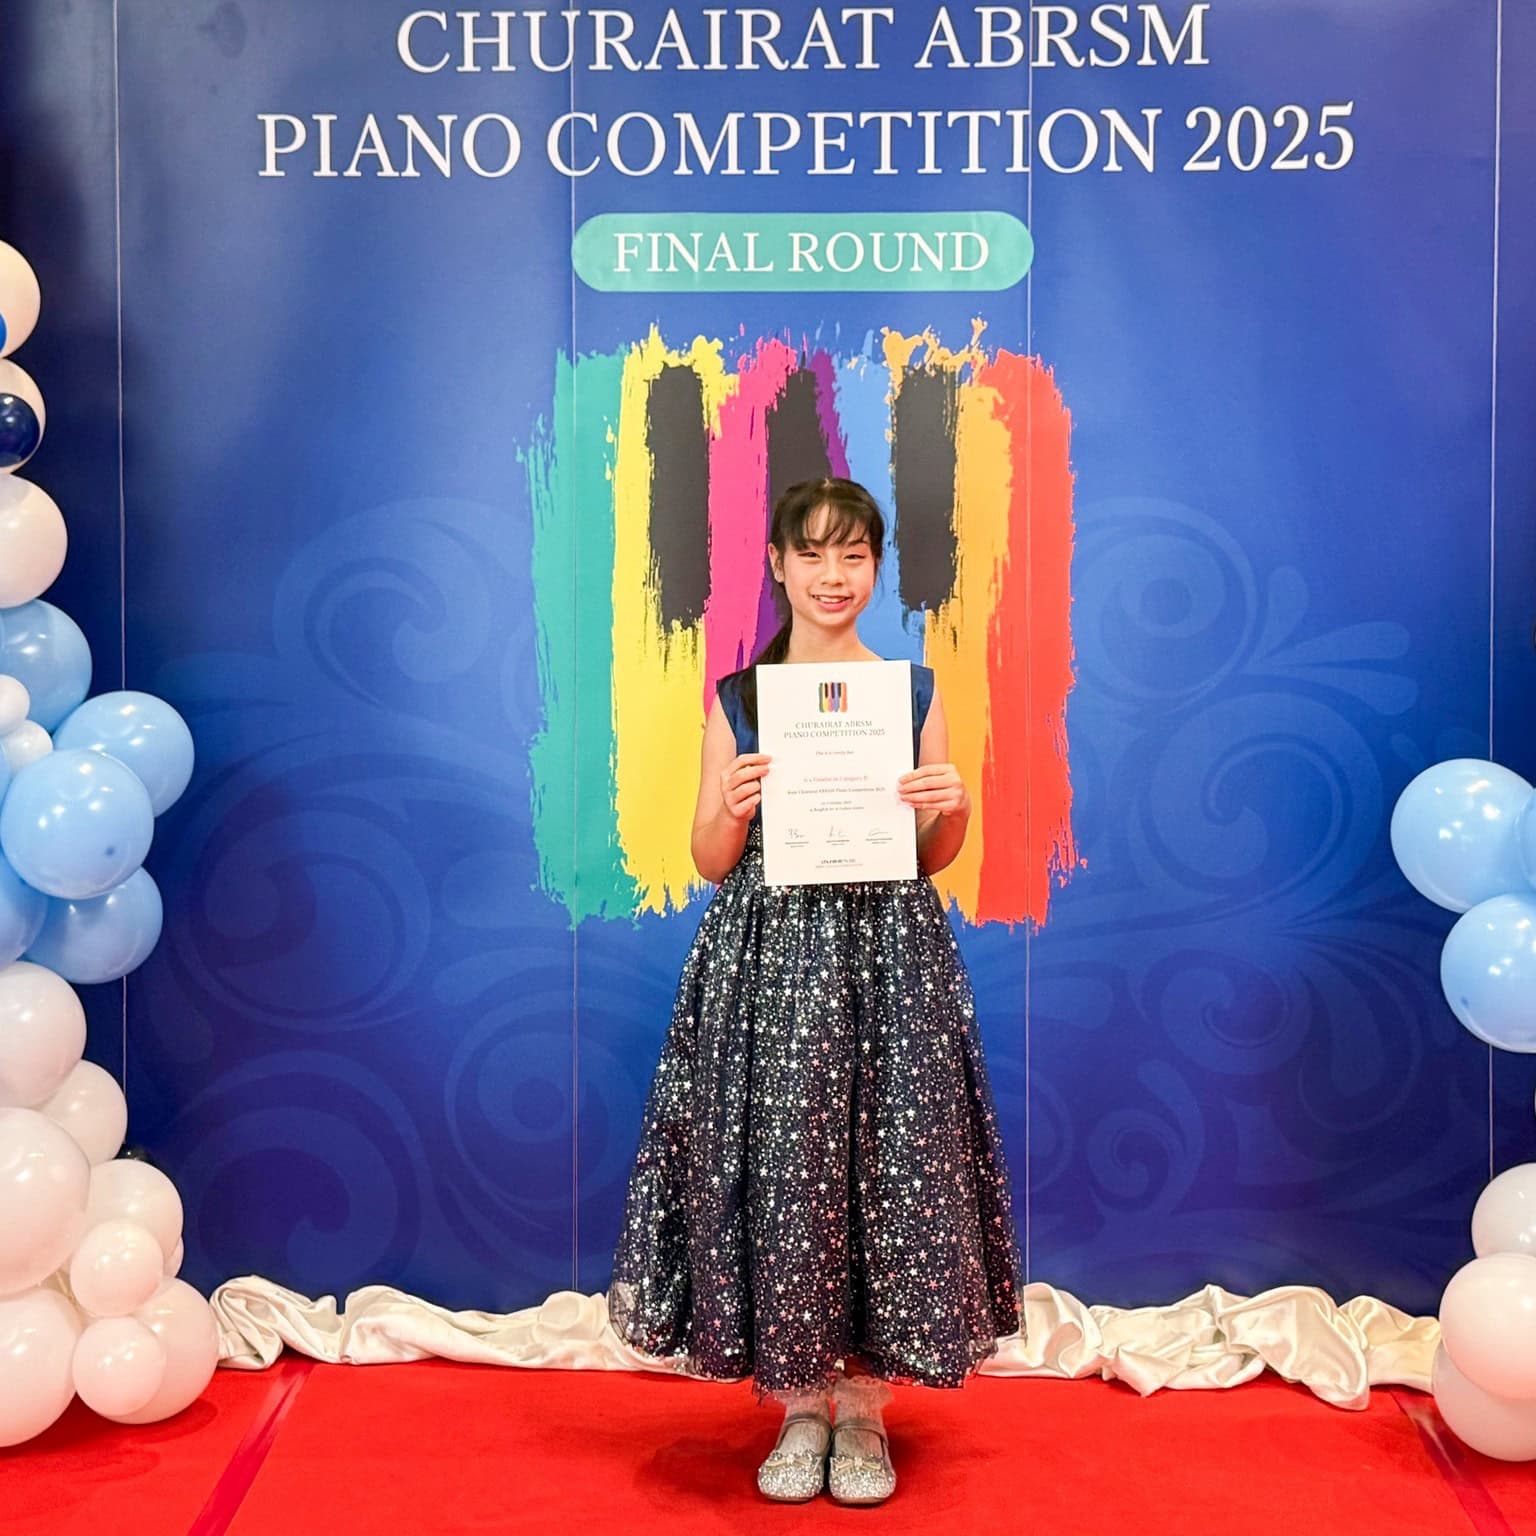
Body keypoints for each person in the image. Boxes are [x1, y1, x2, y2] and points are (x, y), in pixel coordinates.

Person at [606, 476, 1024, 1505]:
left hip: (888, 958)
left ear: (875, 568)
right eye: (814, 553)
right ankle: (798, 1404)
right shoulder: (743, 699)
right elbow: (708, 858)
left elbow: (930, 855)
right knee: (786, 1170)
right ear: (779, 565)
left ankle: (865, 1412)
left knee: (891, 1166)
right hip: (772, 957)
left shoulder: (909, 693)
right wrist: (733, 804)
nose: (834, 575)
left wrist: (953, 806)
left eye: (854, 555)